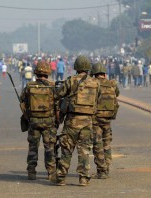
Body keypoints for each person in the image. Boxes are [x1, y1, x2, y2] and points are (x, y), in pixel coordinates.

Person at [55, 55, 101, 186]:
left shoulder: (71, 81)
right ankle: (83, 178)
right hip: (87, 122)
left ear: (76, 67)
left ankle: (61, 177)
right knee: (84, 151)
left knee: (66, 150)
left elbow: (58, 94)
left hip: (72, 122)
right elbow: (97, 99)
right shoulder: (95, 83)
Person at [20, 61, 58, 181]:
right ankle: (51, 172)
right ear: (48, 72)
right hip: (49, 122)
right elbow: (57, 106)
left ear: (36, 72)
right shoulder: (53, 86)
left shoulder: (30, 86)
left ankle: (31, 172)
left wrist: (27, 116)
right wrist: (57, 120)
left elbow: (23, 103)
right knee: (49, 148)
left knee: (33, 147)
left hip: (34, 122)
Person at [90, 62, 119, 179]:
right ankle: (106, 167)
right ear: (104, 74)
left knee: (97, 145)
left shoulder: (92, 83)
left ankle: (101, 171)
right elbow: (117, 94)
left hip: (95, 119)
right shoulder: (112, 84)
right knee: (106, 144)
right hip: (108, 118)